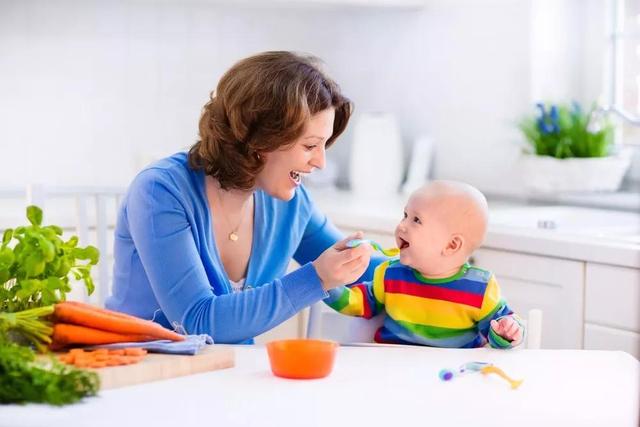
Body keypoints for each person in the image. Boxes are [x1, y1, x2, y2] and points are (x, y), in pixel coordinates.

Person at [106, 51, 377, 344]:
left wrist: (422, 253)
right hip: (142, 371)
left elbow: (366, 272)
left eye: (324, 145)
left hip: (229, 375)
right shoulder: (161, 192)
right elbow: (197, 322)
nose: (320, 162)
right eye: (310, 145)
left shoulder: (291, 205)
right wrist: (316, 279)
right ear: (261, 139)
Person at [325, 180, 525, 348]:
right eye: (405, 215)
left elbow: (499, 330)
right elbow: (359, 303)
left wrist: (507, 331)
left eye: (416, 220)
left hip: (448, 376)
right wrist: (327, 283)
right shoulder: (390, 273)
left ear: (451, 245)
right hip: (391, 368)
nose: (402, 225)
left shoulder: (481, 288)